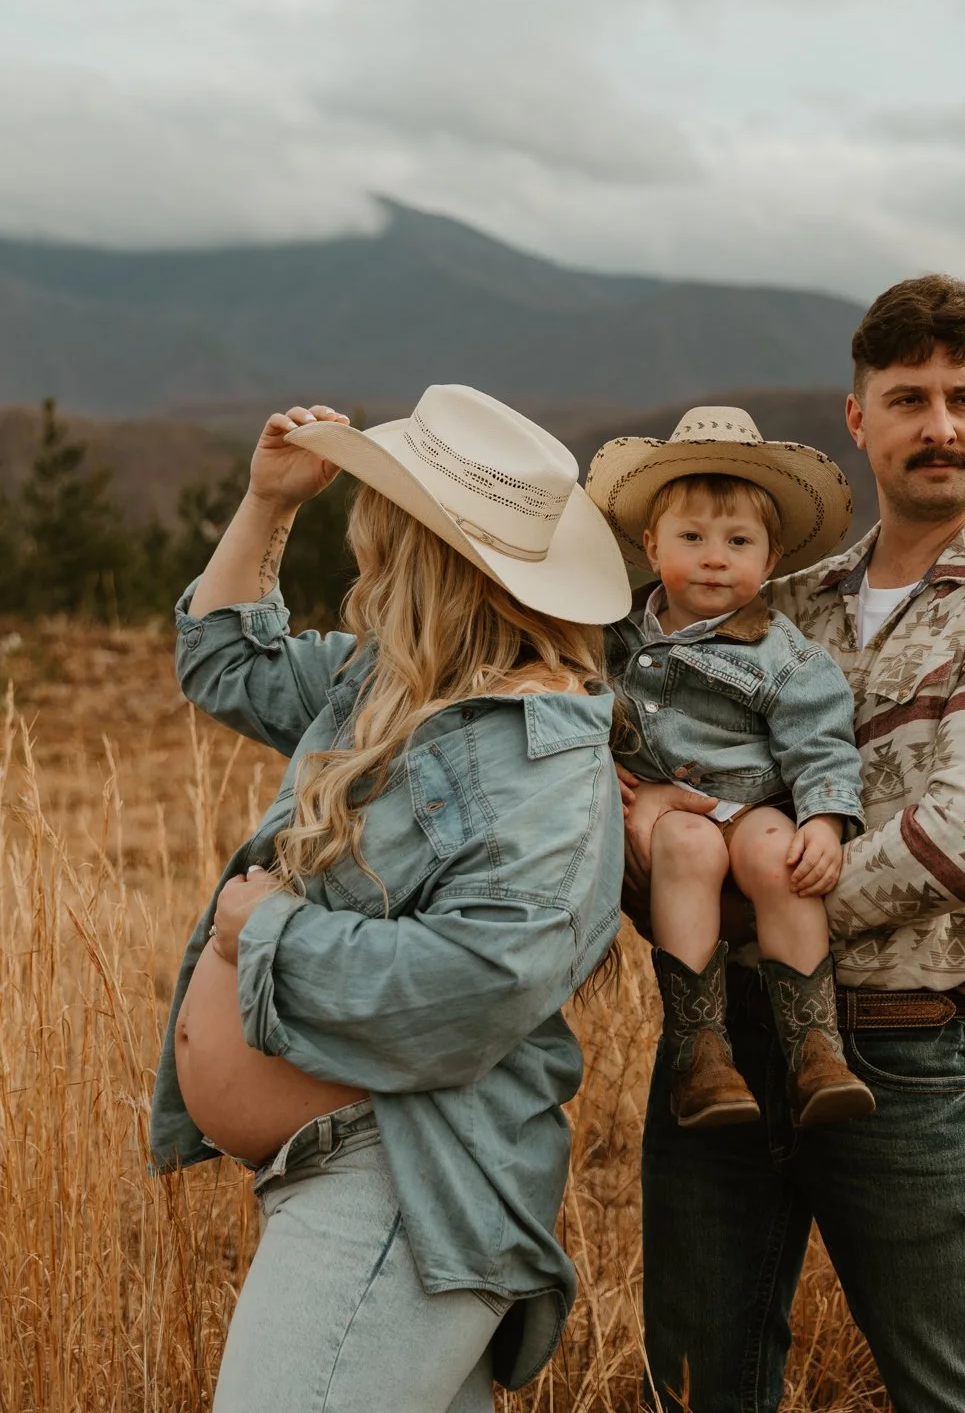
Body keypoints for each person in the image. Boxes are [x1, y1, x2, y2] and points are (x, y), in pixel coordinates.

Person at [621, 278, 965, 1413]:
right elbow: (644, 740)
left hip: (896, 1052)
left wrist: (736, 888)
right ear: (859, 419)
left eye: (961, 397)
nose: (937, 423)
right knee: (697, 1387)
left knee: (950, 1392)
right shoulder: (773, 603)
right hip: (718, 1047)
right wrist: (638, 815)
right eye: (908, 397)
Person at [149, 384, 631, 1413]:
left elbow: (477, 983)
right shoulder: (388, 681)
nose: (361, 541)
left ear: (415, 550)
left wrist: (262, 928)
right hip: (352, 1180)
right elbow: (223, 656)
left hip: (407, 1190)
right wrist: (269, 502)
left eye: (377, 520)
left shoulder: (541, 756)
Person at [587, 406, 872, 1131]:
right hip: (676, 819)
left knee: (779, 859)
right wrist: (598, 763)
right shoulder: (609, 633)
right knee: (685, 848)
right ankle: (700, 1052)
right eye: (692, 538)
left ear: (769, 561)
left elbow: (819, 742)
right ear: (652, 547)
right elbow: (569, 693)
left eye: (737, 541)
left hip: (752, 804)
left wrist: (827, 820)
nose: (715, 556)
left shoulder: (783, 655)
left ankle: (815, 1049)